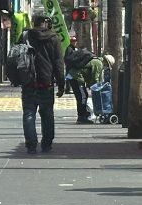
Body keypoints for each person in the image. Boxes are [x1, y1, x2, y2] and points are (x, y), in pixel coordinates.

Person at [20, 14, 64, 154]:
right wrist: (61, 84)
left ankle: (31, 145)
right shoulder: (54, 38)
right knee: (47, 114)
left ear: (34, 23)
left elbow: (16, 55)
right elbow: (58, 63)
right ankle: (47, 144)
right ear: (46, 23)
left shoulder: (25, 36)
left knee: (28, 113)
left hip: (28, 80)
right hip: (46, 82)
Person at [65, 36, 95, 124]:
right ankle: (81, 115)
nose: (74, 42)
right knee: (82, 96)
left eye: (74, 41)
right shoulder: (70, 50)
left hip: (75, 76)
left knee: (82, 95)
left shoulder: (76, 51)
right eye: (72, 41)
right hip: (75, 77)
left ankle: (83, 113)